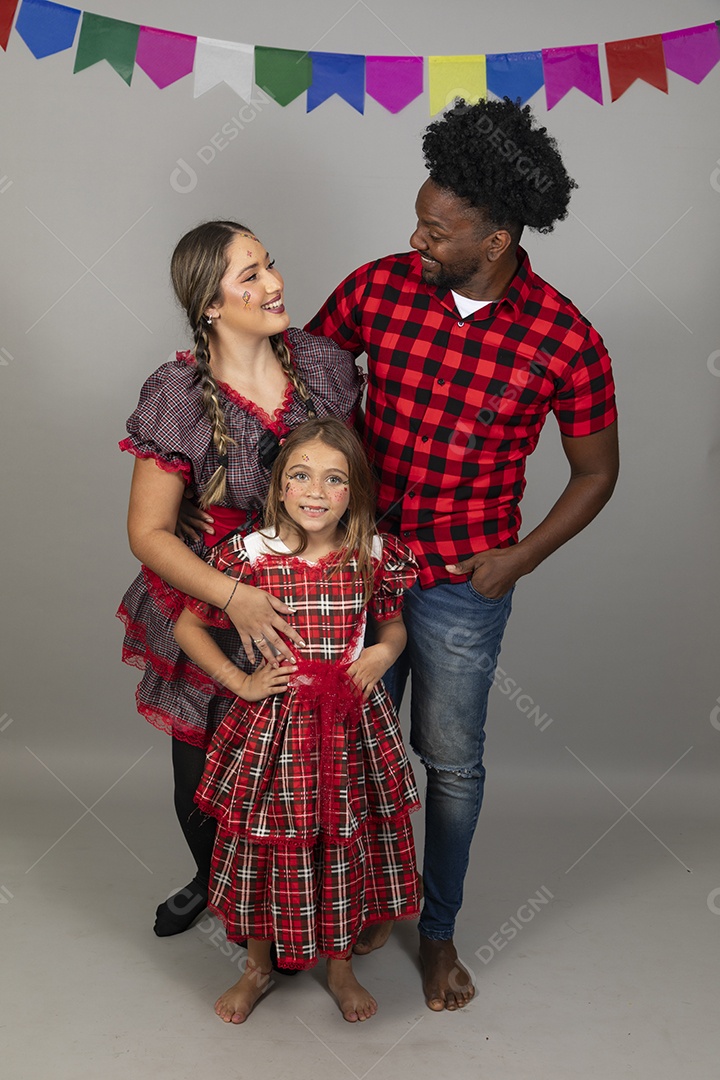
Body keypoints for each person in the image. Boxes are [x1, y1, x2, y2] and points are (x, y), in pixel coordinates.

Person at [305, 98, 619, 1012]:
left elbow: (596, 474)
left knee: (450, 761)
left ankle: (436, 934)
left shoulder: (565, 338)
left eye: (438, 229)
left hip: (461, 585)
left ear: (498, 238)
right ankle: (362, 907)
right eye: (417, 218)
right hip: (357, 566)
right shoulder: (378, 286)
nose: (416, 237)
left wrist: (520, 558)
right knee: (351, 748)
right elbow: (310, 387)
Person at [117, 221, 363, 937]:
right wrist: (236, 596)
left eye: (270, 265)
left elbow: (350, 481)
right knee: (201, 775)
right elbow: (147, 532)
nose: (274, 283)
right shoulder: (179, 395)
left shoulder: (322, 366)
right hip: (216, 593)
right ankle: (213, 885)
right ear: (211, 305)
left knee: (295, 771)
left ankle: (296, 913)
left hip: (312, 596)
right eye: (248, 275)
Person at [173, 418, 420, 1023]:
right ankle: (258, 967)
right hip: (277, 726)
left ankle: (340, 968)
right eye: (301, 475)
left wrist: (383, 654)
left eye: (334, 480)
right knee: (269, 843)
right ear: (279, 486)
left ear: (353, 492)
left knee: (343, 842)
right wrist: (241, 682)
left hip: (347, 730)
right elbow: (187, 624)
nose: (316, 490)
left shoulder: (372, 557)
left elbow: (392, 628)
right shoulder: (249, 556)